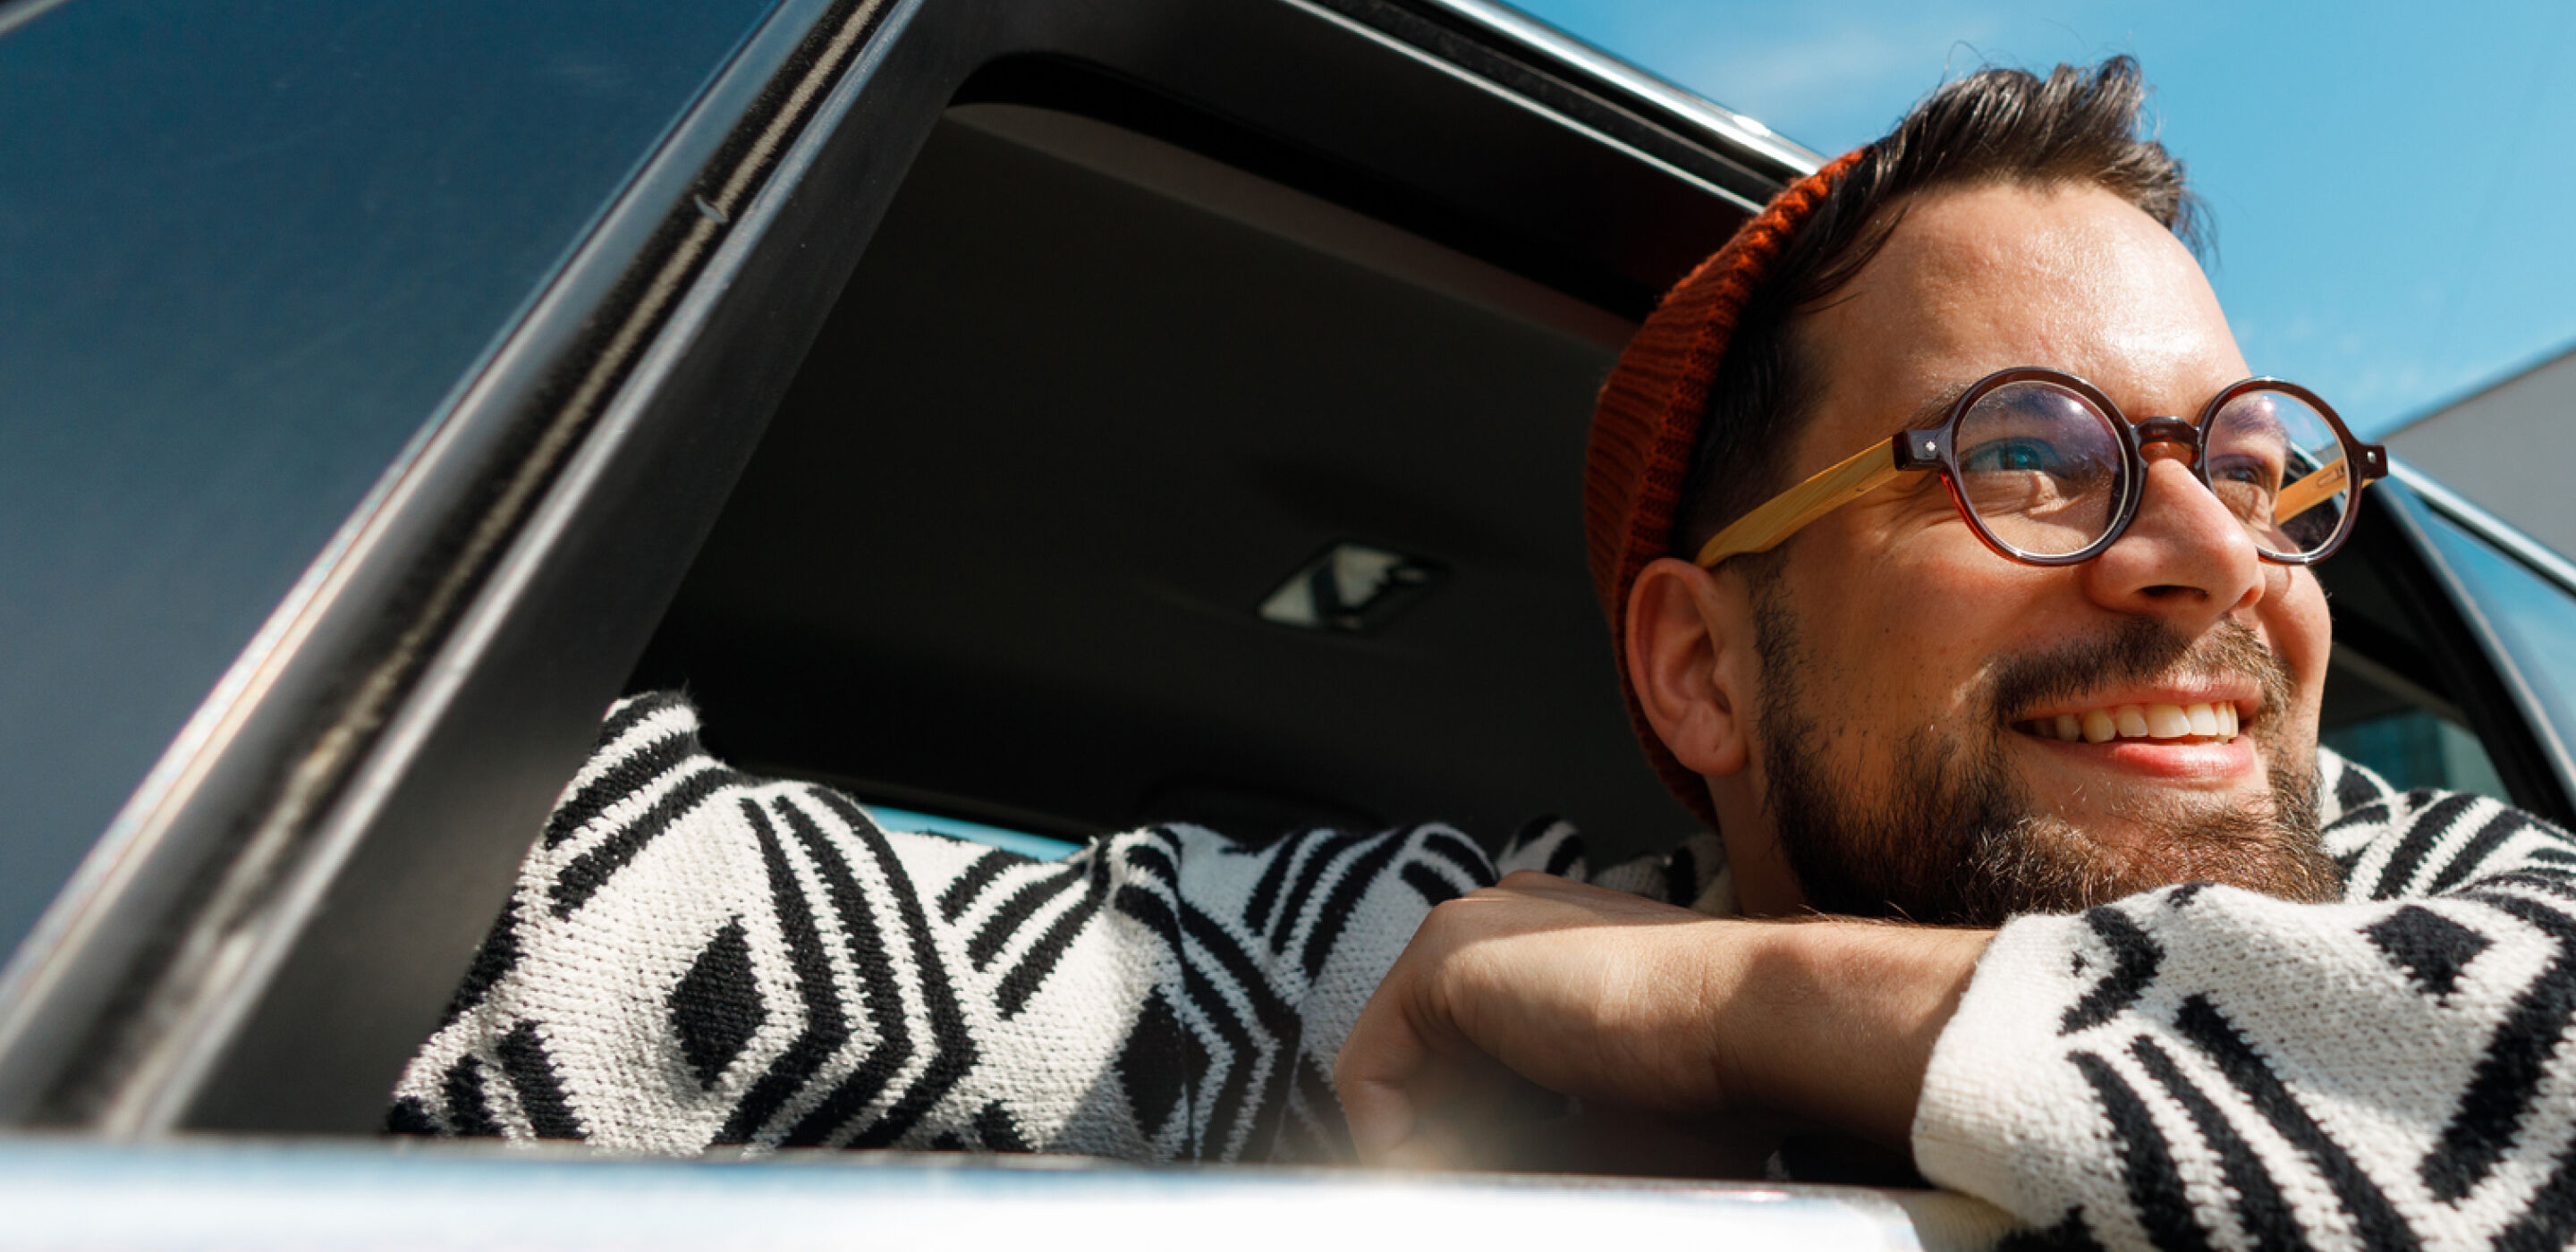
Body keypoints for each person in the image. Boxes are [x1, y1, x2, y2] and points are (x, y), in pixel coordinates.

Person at [390, 58, 2576, 1248]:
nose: (2212, 558)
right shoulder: (1388, 956)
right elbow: (527, 911)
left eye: (2257, 461)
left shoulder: (2444, 892)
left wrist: (1746, 1004)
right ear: (1702, 673)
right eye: (2031, 454)